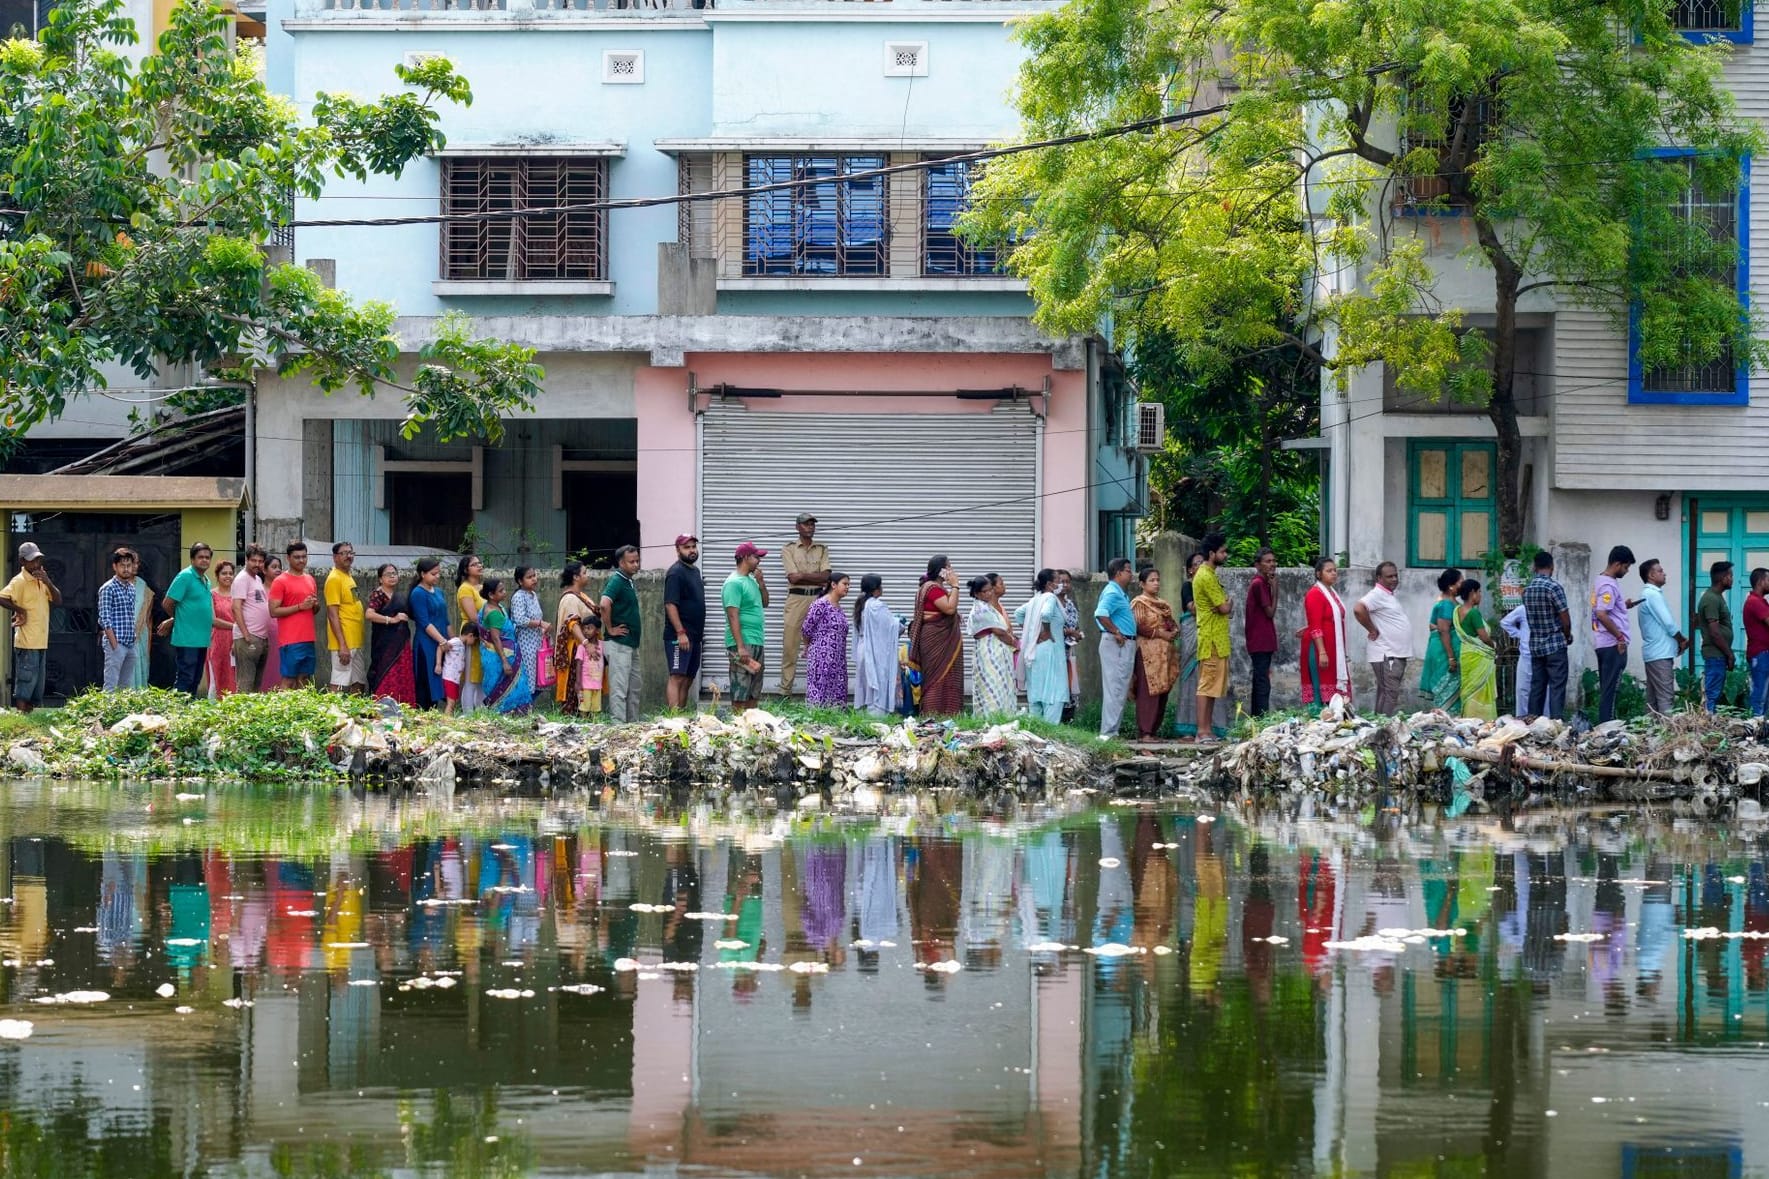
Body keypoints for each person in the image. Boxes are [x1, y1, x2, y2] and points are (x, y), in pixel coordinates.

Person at [0, 542, 59, 711]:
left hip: (41, 641)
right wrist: (19, 610)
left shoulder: (41, 579)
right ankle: (21, 716)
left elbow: (58, 600)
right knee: (25, 684)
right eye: (32, 561)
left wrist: (48, 581)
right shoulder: (19, 581)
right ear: (22, 562)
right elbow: (2, 597)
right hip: (27, 642)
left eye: (38, 560)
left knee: (37, 687)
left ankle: (30, 718)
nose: (36, 564)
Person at [780, 513, 830, 695]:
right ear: (797, 527)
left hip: (818, 599)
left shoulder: (822, 549)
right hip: (796, 600)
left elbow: (826, 577)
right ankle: (785, 692)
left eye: (812, 524)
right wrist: (814, 579)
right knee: (790, 647)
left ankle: (819, 692)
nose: (810, 527)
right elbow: (793, 578)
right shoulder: (789, 549)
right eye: (806, 524)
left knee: (820, 646)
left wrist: (803, 576)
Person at [1189, 534, 1232, 742]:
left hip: (1217, 638)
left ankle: (1207, 730)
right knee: (1206, 686)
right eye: (1223, 551)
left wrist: (1225, 606)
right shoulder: (1205, 575)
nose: (1225, 555)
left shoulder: (1209, 574)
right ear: (1212, 553)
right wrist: (1228, 604)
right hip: (1211, 638)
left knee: (1212, 686)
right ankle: (1202, 731)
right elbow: (1224, 606)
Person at [1354, 561, 1413, 715]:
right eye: (1389, 576)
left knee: (1385, 692)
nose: (1394, 579)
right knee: (1390, 693)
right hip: (1387, 653)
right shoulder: (1377, 594)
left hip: (1393, 652)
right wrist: (1372, 629)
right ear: (1379, 578)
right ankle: (1383, 727)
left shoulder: (1387, 595)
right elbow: (1358, 609)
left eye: (1395, 575)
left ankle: (1378, 725)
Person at [909, 554, 963, 716]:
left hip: (940, 638)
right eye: (949, 567)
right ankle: (932, 713)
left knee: (946, 677)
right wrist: (955, 586)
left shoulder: (932, 587)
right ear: (940, 571)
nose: (951, 571)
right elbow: (949, 609)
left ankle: (948, 712)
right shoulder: (933, 588)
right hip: (935, 638)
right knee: (935, 678)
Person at [1522, 550, 1573, 720]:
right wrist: (1568, 635)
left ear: (1535, 567)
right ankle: (1556, 721)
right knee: (1557, 686)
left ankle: (1532, 721)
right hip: (1555, 644)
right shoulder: (1554, 587)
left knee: (1537, 686)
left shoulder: (1527, 590)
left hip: (1536, 645)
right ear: (1552, 567)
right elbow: (1564, 618)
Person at [1131, 567, 1180, 741]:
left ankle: (1153, 731)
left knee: (1162, 690)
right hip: (1147, 653)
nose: (1156, 583)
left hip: (1164, 654)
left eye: (1158, 580)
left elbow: (1171, 623)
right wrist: (1161, 634)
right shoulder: (1139, 603)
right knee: (1148, 690)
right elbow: (1139, 626)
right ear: (1142, 584)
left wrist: (1173, 631)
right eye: (1152, 580)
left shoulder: (1163, 604)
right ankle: (1144, 732)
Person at [159, 542, 215, 697]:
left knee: (196, 678)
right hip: (187, 637)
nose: (204, 560)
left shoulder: (205, 580)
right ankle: (178, 712)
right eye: (200, 557)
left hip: (201, 638)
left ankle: (189, 712)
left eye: (207, 557)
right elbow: (167, 603)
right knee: (186, 677)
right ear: (192, 559)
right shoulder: (185, 576)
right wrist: (177, 619)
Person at [1590, 545, 1636, 724]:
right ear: (1617, 564)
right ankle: (1606, 727)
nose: (1626, 571)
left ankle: (1606, 724)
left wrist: (1623, 605)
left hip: (1603, 643)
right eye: (1626, 567)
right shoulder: (1608, 585)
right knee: (1610, 691)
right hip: (1612, 645)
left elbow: (1607, 608)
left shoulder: (1600, 580)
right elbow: (1602, 614)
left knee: (1607, 689)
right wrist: (1620, 637)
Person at [1637, 558, 1689, 716]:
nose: (1664, 573)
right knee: (1666, 698)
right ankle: (1669, 733)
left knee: (1652, 702)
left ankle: (1649, 734)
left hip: (1654, 653)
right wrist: (1681, 639)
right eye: (1660, 571)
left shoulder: (1648, 594)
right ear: (1651, 575)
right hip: (1660, 654)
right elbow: (1669, 624)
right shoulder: (1652, 595)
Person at [723, 543, 772, 711]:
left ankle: (751, 726)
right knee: (740, 689)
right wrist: (740, 647)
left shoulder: (751, 580)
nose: (759, 561)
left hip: (756, 640)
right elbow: (732, 615)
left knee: (754, 691)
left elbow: (765, 603)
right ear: (745, 558)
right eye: (756, 557)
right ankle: (737, 727)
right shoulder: (734, 583)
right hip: (742, 642)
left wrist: (761, 583)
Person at [1095, 557, 1138, 738]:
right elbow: (1100, 614)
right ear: (1119, 573)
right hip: (1117, 643)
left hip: (1124, 643)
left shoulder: (1120, 593)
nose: (1131, 574)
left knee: (1119, 687)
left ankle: (1113, 730)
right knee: (1115, 688)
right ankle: (1108, 732)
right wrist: (1116, 632)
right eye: (1128, 570)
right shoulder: (1112, 592)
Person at [1301, 557, 1352, 710]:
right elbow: (1316, 625)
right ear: (1318, 574)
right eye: (1329, 571)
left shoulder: (1331, 593)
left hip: (1333, 650)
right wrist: (1322, 652)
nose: (1334, 573)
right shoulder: (1315, 594)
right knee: (1321, 685)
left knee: (1333, 689)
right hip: (1320, 649)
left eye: (1335, 570)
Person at [1018, 569, 1068, 724]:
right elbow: (1046, 615)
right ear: (1049, 584)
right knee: (1054, 693)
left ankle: (1037, 732)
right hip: (1051, 650)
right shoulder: (1050, 598)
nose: (1061, 583)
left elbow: (1018, 614)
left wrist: (1033, 633)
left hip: (1035, 651)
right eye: (1058, 580)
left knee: (1036, 696)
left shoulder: (1035, 600)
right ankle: (1051, 733)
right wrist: (1045, 631)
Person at [600, 544, 643, 722]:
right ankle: (618, 724)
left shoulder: (628, 581)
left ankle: (632, 724)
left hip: (630, 643)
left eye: (637, 561)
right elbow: (604, 604)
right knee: (619, 687)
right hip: (619, 644)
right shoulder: (617, 580)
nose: (635, 565)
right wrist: (610, 629)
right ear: (621, 563)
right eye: (631, 562)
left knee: (634, 687)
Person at [270, 542, 322, 689]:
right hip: (290, 640)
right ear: (288, 558)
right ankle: (282, 712)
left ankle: (302, 711)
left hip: (308, 638)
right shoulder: (280, 581)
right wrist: (300, 606)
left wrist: (315, 606)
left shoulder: (310, 579)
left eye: (304, 557)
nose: (301, 560)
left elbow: (313, 610)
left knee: (305, 679)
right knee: (289, 680)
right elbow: (273, 611)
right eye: (297, 557)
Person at [365, 563, 417, 706]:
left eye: (394, 573)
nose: (393, 576)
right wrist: (391, 620)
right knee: (386, 673)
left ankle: (404, 706)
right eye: (388, 574)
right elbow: (369, 614)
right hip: (385, 643)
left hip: (402, 642)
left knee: (403, 673)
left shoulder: (399, 596)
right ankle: (384, 707)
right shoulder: (379, 594)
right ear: (380, 579)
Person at [555, 561, 602, 715]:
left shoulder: (581, 596)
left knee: (589, 686)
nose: (587, 576)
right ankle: (572, 718)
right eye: (584, 573)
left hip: (586, 647)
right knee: (576, 685)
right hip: (575, 650)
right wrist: (586, 643)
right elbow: (572, 624)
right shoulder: (570, 599)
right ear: (576, 577)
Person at [478, 578, 532, 714]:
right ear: (491, 595)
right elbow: (496, 638)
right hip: (499, 657)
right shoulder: (494, 613)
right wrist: (505, 662)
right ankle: (509, 714)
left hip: (502, 653)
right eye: (501, 591)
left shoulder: (495, 607)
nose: (505, 593)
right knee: (507, 687)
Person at [664, 535, 705, 711]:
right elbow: (670, 604)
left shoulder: (695, 571)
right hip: (679, 635)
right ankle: (673, 719)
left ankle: (681, 715)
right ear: (678, 550)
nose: (692, 550)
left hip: (695, 636)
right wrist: (680, 632)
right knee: (677, 676)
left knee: (688, 678)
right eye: (687, 547)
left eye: (693, 546)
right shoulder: (675, 572)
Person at [967, 573, 1017, 718]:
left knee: (1002, 682)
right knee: (991, 683)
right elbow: (998, 631)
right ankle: (992, 717)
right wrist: (1012, 641)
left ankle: (1004, 716)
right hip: (989, 651)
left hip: (997, 650)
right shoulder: (981, 609)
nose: (989, 593)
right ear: (977, 593)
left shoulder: (989, 606)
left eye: (990, 590)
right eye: (985, 591)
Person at [801, 572, 852, 708]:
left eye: (848, 585)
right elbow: (806, 628)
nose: (847, 587)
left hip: (838, 659)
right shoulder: (820, 604)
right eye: (845, 584)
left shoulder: (839, 609)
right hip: (821, 657)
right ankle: (817, 717)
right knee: (820, 688)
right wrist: (807, 647)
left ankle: (834, 719)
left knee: (837, 689)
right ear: (833, 585)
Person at [852, 574, 898, 716]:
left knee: (864, 681)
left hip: (862, 648)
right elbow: (891, 626)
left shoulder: (860, 604)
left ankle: (863, 713)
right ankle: (876, 713)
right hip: (874, 650)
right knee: (877, 679)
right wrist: (899, 622)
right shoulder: (877, 606)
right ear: (876, 589)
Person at [1173, 552, 1208, 738]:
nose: (1201, 566)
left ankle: (1208, 728)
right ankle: (1187, 728)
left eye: (1203, 563)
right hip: (1191, 633)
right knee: (1190, 678)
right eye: (1197, 564)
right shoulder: (1188, 586)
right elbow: (1192, 609)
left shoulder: (1212, 585)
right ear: (1190, 570)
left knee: (1208, 679)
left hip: (1209, 636)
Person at [407, 556, 450, 709]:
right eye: (433, 573)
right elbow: (424, 622)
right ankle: (424, 713)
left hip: (442, 642)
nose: (437, 576)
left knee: (441, 679)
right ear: (422, 574)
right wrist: (442, 640)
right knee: (427, 680)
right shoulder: (418, 593)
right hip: (426, 643)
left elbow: (446, 619)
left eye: (438, 573)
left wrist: (450, 640)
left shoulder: (439, 592)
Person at [324, 541, 366, 695]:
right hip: (344, 642)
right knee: (340, 684)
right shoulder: (334, 578)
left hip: (355, 641)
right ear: (335, 557)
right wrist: (342, 645)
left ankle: (354, 717)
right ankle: (335, 715)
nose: (348, 556)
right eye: (344, 553)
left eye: (350, 552)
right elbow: (332, 614)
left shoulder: (347, 576)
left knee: (359, 682)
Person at [1419, 567, 1463, 712]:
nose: (1462, 585)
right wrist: (1451, 657)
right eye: (1460, 582)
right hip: (1445, 651)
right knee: (1446, 684)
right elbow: (1444, 630)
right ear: (1452, 586)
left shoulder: (1451, 603)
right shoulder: (1446, 605)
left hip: (1449, 647)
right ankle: (1446, 718)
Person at [231, 545, 273, 694]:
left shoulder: (256, 579)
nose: (257, 564)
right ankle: (240, 716)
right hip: (249, 638)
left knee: (256, 685)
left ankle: (252, 716)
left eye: (260, 561)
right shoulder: (242, 579)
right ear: (246, 560)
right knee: (245, 684)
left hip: (260, 637)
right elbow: (236, 608)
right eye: (253, 560)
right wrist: (246, 635)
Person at [98, 547, 140, 692]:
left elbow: (130, 615)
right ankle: (105, 714)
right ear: (115, 566)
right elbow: (104, 619)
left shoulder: (131, 588)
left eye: (129, 565)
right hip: (116, 643)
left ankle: (122, 714)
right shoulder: (108, 588)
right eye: (122, 565)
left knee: (125, 687)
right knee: (110, 685)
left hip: (130, 643)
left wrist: (134, 641)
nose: (126, 569)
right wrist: (114, 644)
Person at [1455, 579, 1497, 720]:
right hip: (1479, 656)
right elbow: (1484, 637)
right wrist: (1494, 646)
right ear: (1472, 593)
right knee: (1480, 688)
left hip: (1466, 654)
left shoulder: (1458, 610)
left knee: (1469, 687)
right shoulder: (1473, 613)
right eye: (1479, 592)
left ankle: (1468, 718)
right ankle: (1483, 719)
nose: (1480, 595)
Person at [1245, 548, 1278, 716]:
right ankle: (1261, 718)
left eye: (1273, 561)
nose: (1272, 564)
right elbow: (1270, 612)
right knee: (1262, 682)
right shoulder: (1259, 583)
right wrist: (1276, 588)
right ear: (1258, 565)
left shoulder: (1262, 583)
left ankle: (1257, 718)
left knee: (1260, 680)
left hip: (1261, 640)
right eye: (1267, 561)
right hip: (1260, 641)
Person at [1699, 560, 1736, 714]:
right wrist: (1729, 654)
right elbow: (1714, 632)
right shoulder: (1711, 599)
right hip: (1715, 655)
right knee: (1712, 694)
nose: (1732, 579)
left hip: (1718, 655)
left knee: (1714, 693)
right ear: (1723, 578)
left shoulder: (1717, 597)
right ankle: (1706, 726)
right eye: (1730, 575)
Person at [509, 566, 547, 698]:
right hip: (525, 643)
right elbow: (520, 620)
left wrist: (542, 629)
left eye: (534, 576)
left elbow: (537, 616)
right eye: (529, 577)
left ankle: (529, 705)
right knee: (528, 676)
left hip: (536, 641)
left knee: (540, 676)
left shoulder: (533, 594)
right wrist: (540, 623)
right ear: (520, 581)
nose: (534, 579)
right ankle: (524, 706)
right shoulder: (519, 597)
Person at [455, 555, 486, 711]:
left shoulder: (481, 588)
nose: (479, 566)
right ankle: (468, 711)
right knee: (470, 676)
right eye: (474, 564)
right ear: (466, 570)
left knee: (481, 675)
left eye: (479, 563)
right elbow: (474, 616)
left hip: (484, 634)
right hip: (472, 633)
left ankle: (480, 709)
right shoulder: (465, 589)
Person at [207, 561, 238, 698]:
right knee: (217, 676)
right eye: (224, 573)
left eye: (231, 573)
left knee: (235, 675)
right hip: (217, 642)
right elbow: (213, 620)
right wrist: (236, 627)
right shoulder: (211, 595)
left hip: (236, 641)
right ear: (217, 575)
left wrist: (238, 632)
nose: (228, 576)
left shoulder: (238, 595)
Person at [436, 624, 479, 716]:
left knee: (453, 702)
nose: (473, 642)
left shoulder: (462, 645)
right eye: (474, 640)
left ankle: (449, 721)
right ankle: (446, 723)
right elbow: (440, 647)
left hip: (455, 679)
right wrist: (438, 664)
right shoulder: (455, 641)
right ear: (470, 635)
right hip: (450, 677)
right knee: (451, 703)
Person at [1057, 571, 1083, 720]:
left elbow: (1075, 627)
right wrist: (1067, 632)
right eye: (1061, 582)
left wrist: (1077, 634)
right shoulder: (1050, 603)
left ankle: (1068, 717)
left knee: (1070, 683)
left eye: (1068, 582)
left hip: (1069, 650)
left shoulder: (1070, 604)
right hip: (1055, 649)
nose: (1065, 585)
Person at [1499, 604, 1531, 717]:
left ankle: (1545, 719)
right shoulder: (1523, 608)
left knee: (1544, 689)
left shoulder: (1546, 606)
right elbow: (1505, 622)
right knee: (1522, 689)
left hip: (1543, 654)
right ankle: (1522, 718)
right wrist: (1520, 635)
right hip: (1526, 654)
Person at [1745, 569, 1769, 716]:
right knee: (1760, 695)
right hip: (1760, 654)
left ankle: (1762, 731)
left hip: (1763, 654)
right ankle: (1755, 730)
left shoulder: (1760, 602)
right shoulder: (1754, 602)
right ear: (1761, 581)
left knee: (1765, 697)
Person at [258, 555, 284, 691]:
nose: (278, 570)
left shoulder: (284, 590)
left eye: (280, 567)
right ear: (264, 570)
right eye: (274, 567)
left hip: (282, 636)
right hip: (263, 635)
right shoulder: (259, 590)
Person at [132, 555, 156, 689]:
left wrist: (148, 643)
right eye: (131, 563)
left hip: (141, 635)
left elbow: (148, 617)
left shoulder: (142, 586)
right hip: (119, 637)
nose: (135, 566)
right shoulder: (112, 587)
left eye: (137, 563)